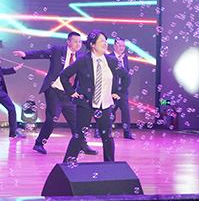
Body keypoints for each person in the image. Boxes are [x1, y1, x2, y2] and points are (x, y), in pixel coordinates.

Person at [13, 32, 98, 155]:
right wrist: (25, 55)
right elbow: (42, 53)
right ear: (68, 42)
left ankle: (82, 145)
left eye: (80, 42)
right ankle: (39, 143)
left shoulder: (81, 56)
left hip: (70, 94)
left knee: (77, 122)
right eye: (75, 42)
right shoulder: (58, 51)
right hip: (54, 92)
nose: (78, 44)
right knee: (52, 119)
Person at [59, 30, 130, 163]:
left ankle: (109, 166)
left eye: (105, 41)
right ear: (92, 44)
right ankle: (67, 164)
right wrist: (71, 92)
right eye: (101, 41)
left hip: (105, 105)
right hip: (85, 104)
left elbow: (126, 77)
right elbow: (64, 75)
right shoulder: (83, 60)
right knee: (79, 135)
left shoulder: (111, 61)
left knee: (107, 137)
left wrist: (119, 93)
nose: (105, 44)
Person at [110, 37, 133, 139]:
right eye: (119, 45)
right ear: (114, 46)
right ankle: (101, 130)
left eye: (123, 46)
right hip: (111, 89)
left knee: (125, 112)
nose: (121, 48)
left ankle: (127, 132)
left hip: (122, 89)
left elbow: (126, 73)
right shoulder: (109, 57)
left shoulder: (125, 57)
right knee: (108, 111)